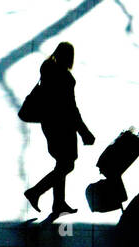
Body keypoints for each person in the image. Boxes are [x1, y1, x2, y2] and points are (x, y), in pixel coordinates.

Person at [24, 41, 95, 215]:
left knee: (61, 163)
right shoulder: (64, 78)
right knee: (67, 165)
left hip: (49, 124)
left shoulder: (47, 70)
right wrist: (84, 132)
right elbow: (71, 108)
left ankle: (59, 203)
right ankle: (35, 192)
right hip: (63, 126)